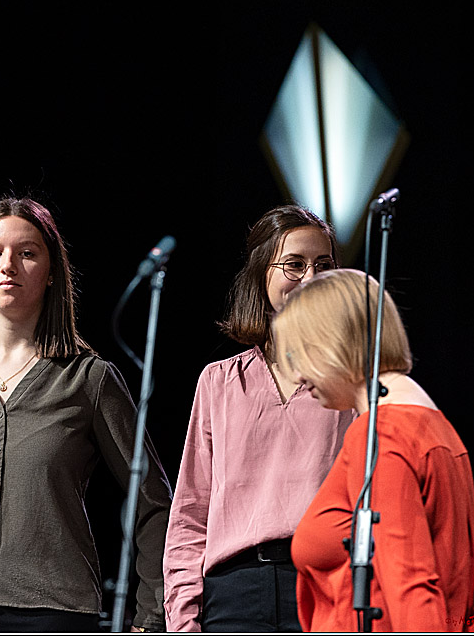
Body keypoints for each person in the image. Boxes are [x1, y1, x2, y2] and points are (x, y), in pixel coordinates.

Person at [0, 196, 172, 632]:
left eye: (27, 253)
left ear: (52, 272)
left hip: (54, 612)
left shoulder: (89, 379)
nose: (8, 265)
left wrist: (151, 619)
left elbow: (153, 504)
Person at [163, 204, 355, 632]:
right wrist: (183, 616)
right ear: (261, 273)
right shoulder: (219, 381)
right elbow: (191, 513)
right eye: (294, 264)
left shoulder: (351, 381)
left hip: (326, 589)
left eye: (323, 265)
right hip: (233, 595)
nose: (310, 278)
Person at [272, 269, 474, 632]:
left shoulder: (382, 431)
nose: (299, 377)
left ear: (332, 343)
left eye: (299, 353)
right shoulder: (433, 425)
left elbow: (411, 585)